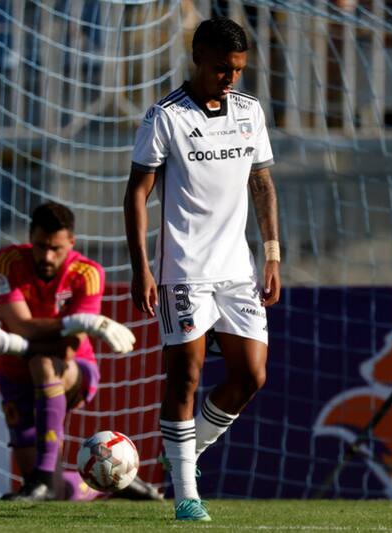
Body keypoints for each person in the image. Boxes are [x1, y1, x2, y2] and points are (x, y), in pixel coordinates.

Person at [123, 17, 281, 522]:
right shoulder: (165, 116)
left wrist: (273, 253)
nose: (230, 78)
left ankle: (183, 460)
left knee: (251, 375)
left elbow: (262, 183)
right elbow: (136, 193)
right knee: (185, 376)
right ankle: (187, 493)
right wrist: (142, 268)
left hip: (238, 268)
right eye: (221, 69)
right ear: (197, 59)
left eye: (237, 70)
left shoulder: (249, 112)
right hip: (184, 269)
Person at [0, 202, 159, 502]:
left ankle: (46, 480)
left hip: (75, 370)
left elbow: (70, 347)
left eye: (56, 248)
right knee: (47, 488)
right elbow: (21, 325)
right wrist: (77, 321)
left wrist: (18, 341)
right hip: (15, 377)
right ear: (29, 238)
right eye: (40, 246)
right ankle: (112, 481)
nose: (47, 256)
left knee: (44, 364)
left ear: (71, 243)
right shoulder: (6, 261)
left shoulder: (88, 273)